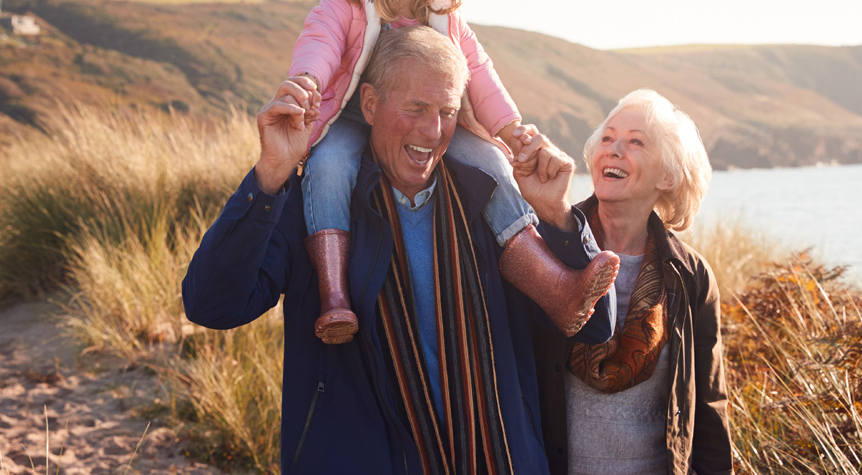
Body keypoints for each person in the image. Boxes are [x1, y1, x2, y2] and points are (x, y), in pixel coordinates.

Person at [183, 26, 616, 474]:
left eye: (448, 111)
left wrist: (559, 217)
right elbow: (211, 305)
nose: (432, 130)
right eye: (416, 108)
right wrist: (271, 173)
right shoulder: (315, 208)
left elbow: (594, 326)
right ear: (369, 104)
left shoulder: (492, 204)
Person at [286, 0, 618, 344]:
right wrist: (307, 82)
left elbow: (477, 70)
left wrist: (508, 126)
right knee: (328, 167)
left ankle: (555, 286)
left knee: (492, 162)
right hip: (353, 115)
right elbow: (319, 42)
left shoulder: (445, 10)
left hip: (432, 119)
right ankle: (335, 295)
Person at [528, 90, 733, 474]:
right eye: (607, 138)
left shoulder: (691, 276)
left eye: (636, 142)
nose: (614, 149)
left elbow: (709, 406)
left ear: (668, 174)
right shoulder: (547, 246)